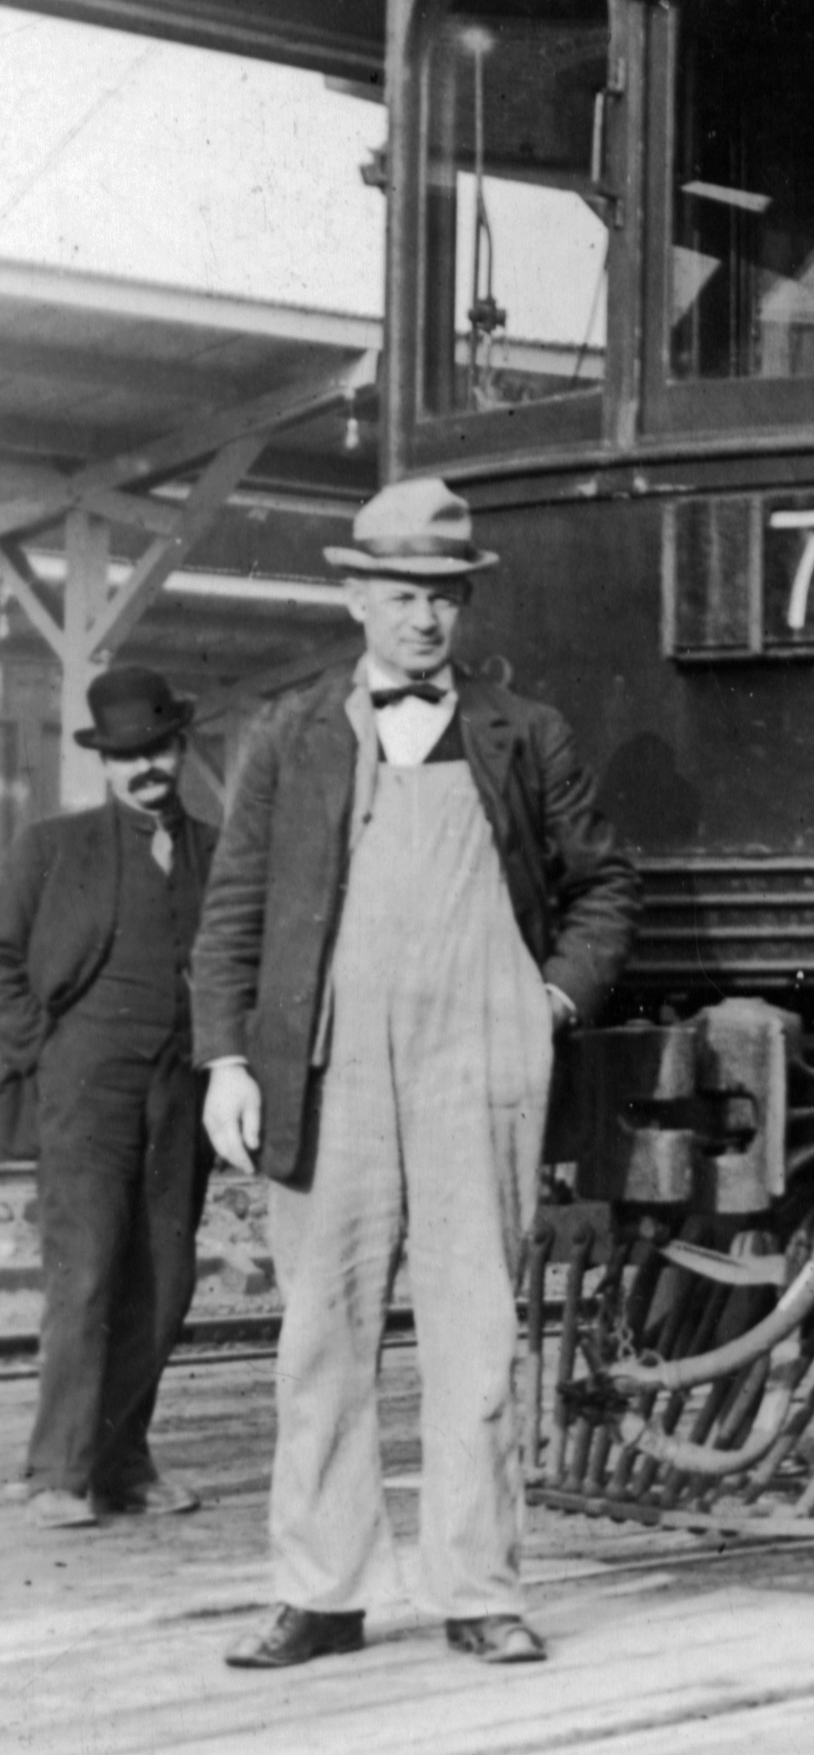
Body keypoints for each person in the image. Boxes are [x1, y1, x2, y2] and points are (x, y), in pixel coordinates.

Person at [192, 478, 637, 1671]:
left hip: (475, 1065)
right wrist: (227, 1058)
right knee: (319, 1334)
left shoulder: (523, 733)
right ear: (355, 598)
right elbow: (233, 909)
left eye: (444, 597)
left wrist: (547, 1003)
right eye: (402, 595)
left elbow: (602, 887)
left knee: (477, 1331)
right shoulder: (286, 735)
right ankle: (321, 1591)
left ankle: (477, 1588)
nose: (425, 619)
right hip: (326, 1067)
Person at [0, 667, 218, 1528]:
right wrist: (45, 1057)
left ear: (180, 746)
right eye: (127, 756)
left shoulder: (219, 848)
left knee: (163, 1284)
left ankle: (124, 1464)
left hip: (183, 1085)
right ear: (104, 764)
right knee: (85, 1274)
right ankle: (58, 1472)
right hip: (84, 1085)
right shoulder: (50, 848)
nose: (145, 768)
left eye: (157, 748)